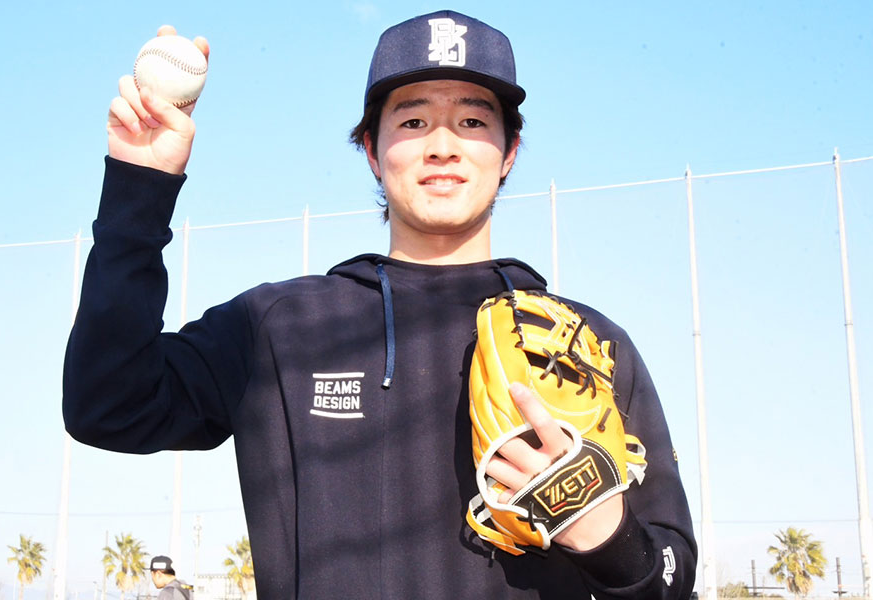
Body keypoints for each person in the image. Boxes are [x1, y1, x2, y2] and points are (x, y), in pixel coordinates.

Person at [64, 10, 697, 599]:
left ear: (508, 153)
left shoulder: (588, 343)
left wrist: (607, 537)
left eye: (473, 121)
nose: (442, 146)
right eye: (414, 120)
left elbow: (671, 574)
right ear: (372, 149)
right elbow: (108, 406)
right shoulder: (278, 327)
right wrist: (139, 188)